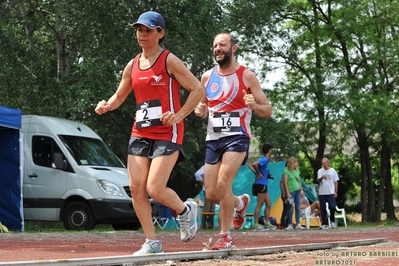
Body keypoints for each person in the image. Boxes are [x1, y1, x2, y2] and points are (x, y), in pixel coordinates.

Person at [94, 11, 205, 255]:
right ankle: (152, 242)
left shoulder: (169, 61)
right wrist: (107, 105)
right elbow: (120, 95)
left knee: (154, 188)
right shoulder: (132, 64)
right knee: (136, 188)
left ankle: (186, 210)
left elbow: (197, 89)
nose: (142, 35)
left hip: (167, 131)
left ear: (160, 33)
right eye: (139, 30)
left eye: (148, 30)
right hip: (140, 131)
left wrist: (179, 115)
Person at [194, 32, 273, 250]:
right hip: (214, 139)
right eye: (215, 45)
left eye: (222, 45)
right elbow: (201, 105)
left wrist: (254, 106)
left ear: (233, 48)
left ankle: (225, 237)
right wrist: (199, 110)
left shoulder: (246, 76)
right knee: (211, 192)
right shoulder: (207, 77)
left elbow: (268, 109)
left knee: (222, 183)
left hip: (237, 137)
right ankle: (239, 203)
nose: (218, 48)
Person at [248, 143, 277, 231]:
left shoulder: (263, 159)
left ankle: (267, 223)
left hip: (263, 184)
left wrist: (261, 174)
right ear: (269, 151)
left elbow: (249, 164)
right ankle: (256, 224)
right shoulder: (264, 159)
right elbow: (253, 164)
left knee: (268, 203)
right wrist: (258, 173)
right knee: (260, 204)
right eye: (271, 150)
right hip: (261, 184)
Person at [283, 157, 305, 230]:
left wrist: (301, 189)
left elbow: (299, 180)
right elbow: (285, 183)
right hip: (291, 191)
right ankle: (290, 224)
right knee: (290, 208)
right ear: (293, 163)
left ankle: (298, 223)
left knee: (298, 207)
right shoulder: (286, 172)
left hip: (298, 190)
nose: (297, 164)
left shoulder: (297, 170)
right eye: (296, 162)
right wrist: (287, 193)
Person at [317, 157, 339, 229]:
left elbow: (336, 181)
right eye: (322, 163)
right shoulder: (320, 171)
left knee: (332, 206)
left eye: (325, 163)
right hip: (322, 192)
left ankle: (332, 221)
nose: (323, 165)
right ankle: (324, 223)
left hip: (331, 192)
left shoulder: (333, 171)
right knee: (322, 208)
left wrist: (335, 191)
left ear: (328, 163)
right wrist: (322, 177)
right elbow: (318, 181)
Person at [280, 161, 290, 229]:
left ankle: (287, 223)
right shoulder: (284, 173)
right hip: (286, 194)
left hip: (289, 193)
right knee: (286, 209)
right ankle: (283, 224)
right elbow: (281, 183)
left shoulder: (290, 173)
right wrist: (284, 192)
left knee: (289, 209)